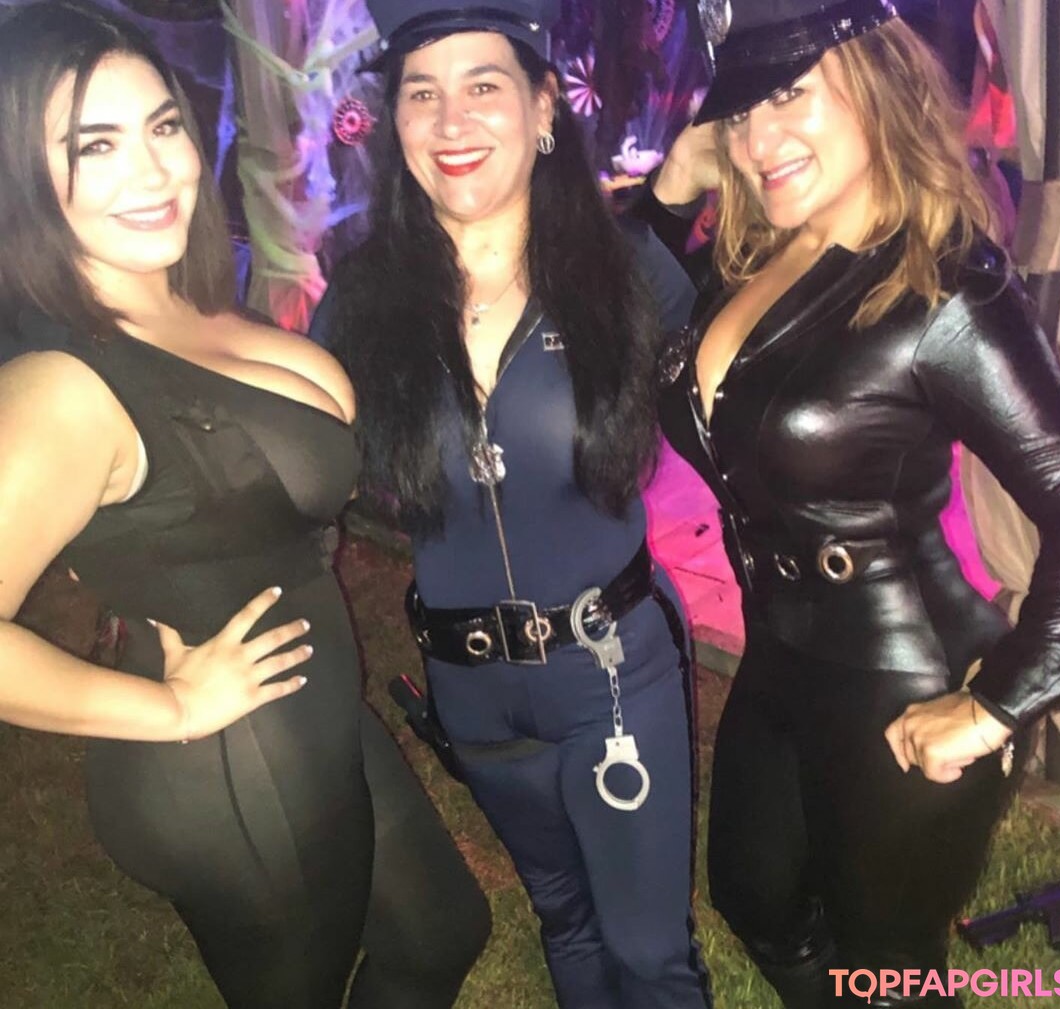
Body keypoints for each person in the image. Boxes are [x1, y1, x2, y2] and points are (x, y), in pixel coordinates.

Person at [0, 3, 489, 1008]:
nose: (154, 172)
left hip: (307, 714)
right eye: (96, 146)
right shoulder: (59, 385)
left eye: (162, 127)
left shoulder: (178, 306)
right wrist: (172, 705)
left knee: (442, 929)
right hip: (227, 767)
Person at [635, 0, 1060, 1006]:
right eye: (740, 110)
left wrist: (995, 706)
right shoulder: (755, 254)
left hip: (902, 678)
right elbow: (613, 308)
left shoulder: (944, 289)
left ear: (876, 78)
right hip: (779, 655)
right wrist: (671, 188)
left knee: (888, 965)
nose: (758, 141)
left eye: (790, 93)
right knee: (753, 896)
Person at [313, 1, 713, 1007]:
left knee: (649, 953)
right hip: (469, 688)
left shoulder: (628, 273)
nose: (451, 121)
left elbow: (748, 406)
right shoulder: (359, 303)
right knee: (564, 918)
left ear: (543, 109)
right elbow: (297, 480)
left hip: (612, 672)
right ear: (395, 121)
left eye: (483, 86)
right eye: (422, 93)